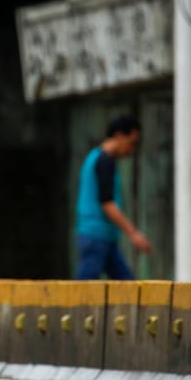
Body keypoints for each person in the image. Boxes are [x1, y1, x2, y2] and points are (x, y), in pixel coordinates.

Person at [73, 115, 152, 280]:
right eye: (131, 143)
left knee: (127, 286)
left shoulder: (97, 157)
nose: (131, 150)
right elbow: (107, 203)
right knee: (84, 287)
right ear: (119, 136)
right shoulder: (104, 161)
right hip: (95, 235)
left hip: (104, 236)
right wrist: (134, 234)